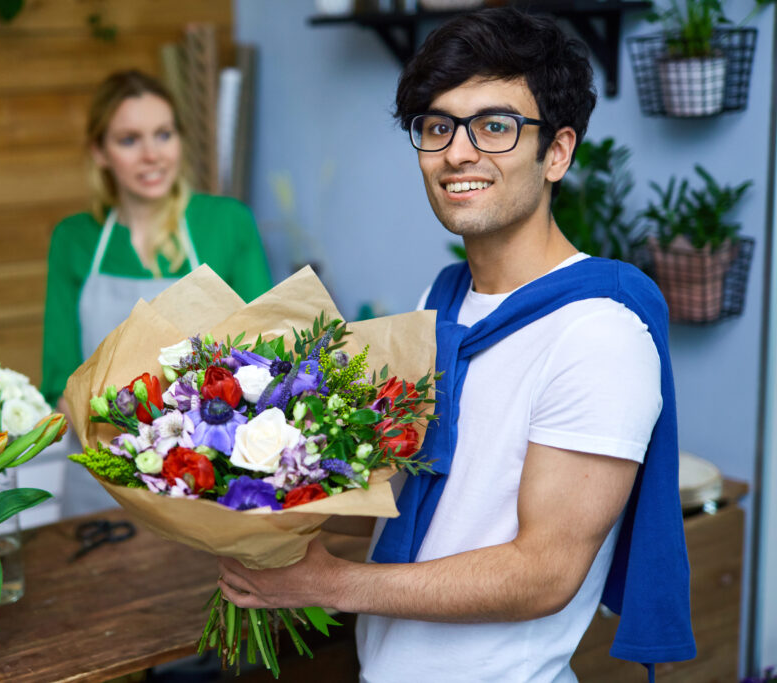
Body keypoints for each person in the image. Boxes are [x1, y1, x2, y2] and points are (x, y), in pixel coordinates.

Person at [216, 9, 694, 681]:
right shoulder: (440, 300)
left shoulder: (598, 332)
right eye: (437, 127)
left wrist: (326, 582)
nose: (458, 152)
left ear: (556, 152)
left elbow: (542, 573)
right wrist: (251, 508)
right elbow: (424, 501)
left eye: (495, 126)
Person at [41, 70, 272, 517]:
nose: (151, 155)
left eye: (163, 135)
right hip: (103, 482)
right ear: (100, 152)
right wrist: (128, 464)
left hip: (207, 477)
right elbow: (60, 381)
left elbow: (265, 350)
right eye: (129, 140)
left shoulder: (227, 223)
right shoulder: (74, 240)